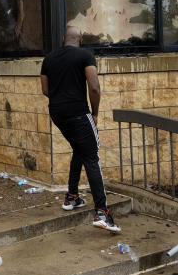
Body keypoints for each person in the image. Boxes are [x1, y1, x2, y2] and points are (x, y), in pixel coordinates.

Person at [40, 25, 120, 233]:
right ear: (80, 40)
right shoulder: (85, 56)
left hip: (57, 113)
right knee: (92, 156)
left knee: (79, 149)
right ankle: (102, 212)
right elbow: (94, 87)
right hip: (78, 113)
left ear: (63, 39)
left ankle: (72, 197)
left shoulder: (49, 59)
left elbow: (45, 90)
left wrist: (61, 102)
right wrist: (94, 113)